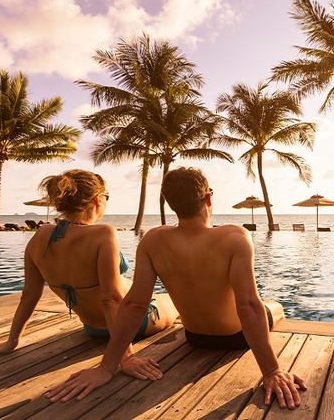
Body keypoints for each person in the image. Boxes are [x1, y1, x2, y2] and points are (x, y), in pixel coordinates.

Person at [46, 167, 306, 409]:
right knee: (273, 306)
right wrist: (272, 371)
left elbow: (134, 305)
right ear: (208, 199)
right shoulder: (234, 236)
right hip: (235, 340)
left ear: (170, 204)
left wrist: (106, 368)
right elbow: (248, 307)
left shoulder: (153, 240)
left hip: (195, 337)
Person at [0, 169, 178, 381]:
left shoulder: (40, 237)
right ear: (97, 200)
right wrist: (127, 357)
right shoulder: (104, 233)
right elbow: (110, 299)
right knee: (175, 298)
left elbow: (28, 296)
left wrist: (11, 342)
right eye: (107, 197)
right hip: (132, 324)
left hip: (92, 328)